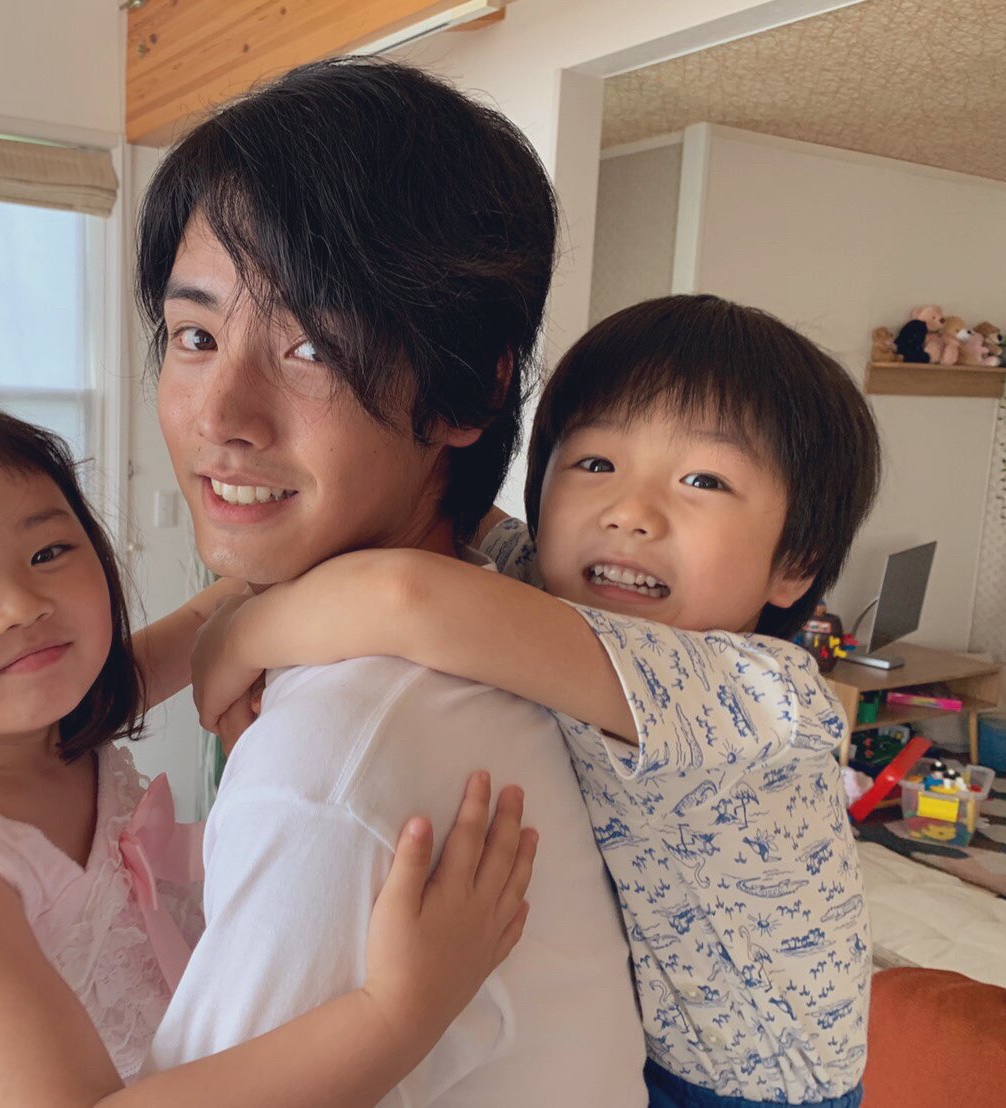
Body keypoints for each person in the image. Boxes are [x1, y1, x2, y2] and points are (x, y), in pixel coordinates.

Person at [0, 403, 539, 1108]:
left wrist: (382, 539)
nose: (22, 604)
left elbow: (223, 611)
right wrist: (398, 1010)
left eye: (48, 552)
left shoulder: (57, 724)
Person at [193, 295, 881, 1107]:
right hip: (646, 1032)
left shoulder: (754, 695)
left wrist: (236, 641)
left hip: (754, 1091)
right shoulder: (549, 589)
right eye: (595, 464)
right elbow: (406, 523)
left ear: (795, 563)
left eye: (703, 480)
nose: (630, 514)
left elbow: (406, 595)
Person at [138, 57, 645, 1104]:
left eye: (312, 347)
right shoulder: (501, 616)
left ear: (466, 390)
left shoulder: (335, 766)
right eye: (195, 335)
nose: (218, 415)